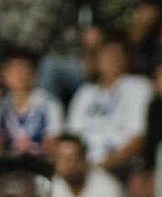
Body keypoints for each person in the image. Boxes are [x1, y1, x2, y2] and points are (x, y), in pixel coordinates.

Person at [66, 37, 153, 174]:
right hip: (82, 167)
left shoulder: (140, 86)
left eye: (117, 54)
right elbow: (72, 136)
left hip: (120, 165)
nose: (111, 59)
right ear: (96, 60)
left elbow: (139, 138)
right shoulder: (85, 92)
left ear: (126, 58)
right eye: (106, 54)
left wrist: (105, 164)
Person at [0, 52, 63, 158]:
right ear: (4, 76)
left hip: (38, 163)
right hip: (8, 166)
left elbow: (52, 142)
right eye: (14, 71)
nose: (19, 76)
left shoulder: (49, 103)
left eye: (24, 70)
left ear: (34, 74)